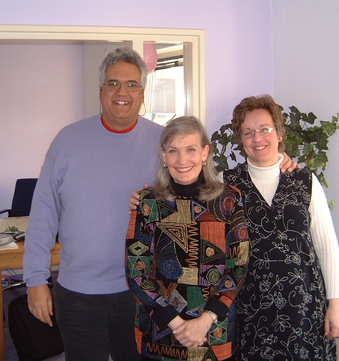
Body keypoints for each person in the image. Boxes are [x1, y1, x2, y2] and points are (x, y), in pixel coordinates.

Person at [23, 47, 163, 361]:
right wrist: (35, 279)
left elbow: (190, 203)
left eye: (131, 84)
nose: (122, 92)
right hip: (78, 294)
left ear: (142, 94)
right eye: (113, 83)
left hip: (142, 289)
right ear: (101, 91)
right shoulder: (67, 140)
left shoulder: (164, 143)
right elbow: (43, 212)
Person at [222, 94, 339, 361]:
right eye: (248, 132)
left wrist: (336, 303)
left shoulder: (305, 181)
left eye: (265, 129)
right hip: (250, 312)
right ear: (241, 140)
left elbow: (326, 246)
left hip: (304, 309)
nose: (257, 138)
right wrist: (146, 200)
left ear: (279, 133)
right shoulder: (226, 185)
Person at [126, 116, 249, 361]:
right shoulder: (147, 203)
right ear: (164, 156)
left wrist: (206, 320)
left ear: (205, 153)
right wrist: (175, 323)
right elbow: (136, 271)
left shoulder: (228, 200)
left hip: (213, 333)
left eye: (191, 149)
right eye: (173, 151)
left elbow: (239, 265)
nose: (182, 160)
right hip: (160, 334)